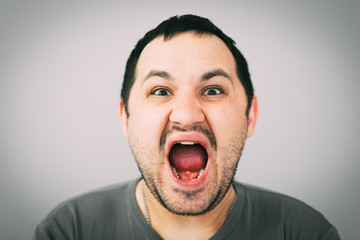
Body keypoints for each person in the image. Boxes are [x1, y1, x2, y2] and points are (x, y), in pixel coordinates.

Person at [33, 14, 340, 240]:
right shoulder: (69, 230)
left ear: (250, 116)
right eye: (160, 91)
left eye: (213, 90)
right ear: (125, 118)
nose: (186, 115)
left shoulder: (305, 232)